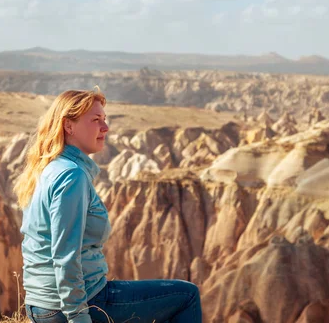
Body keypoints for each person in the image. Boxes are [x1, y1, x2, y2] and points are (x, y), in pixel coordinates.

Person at [15, 88, 202, 323]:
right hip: (76, 304)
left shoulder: (48, 169)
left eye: (104, 119)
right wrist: (78, 316)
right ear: (68, 126)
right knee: (187, 295)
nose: (105, 127)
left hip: (41, 304)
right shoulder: (71, 176)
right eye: (95, 120)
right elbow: (65, 255)